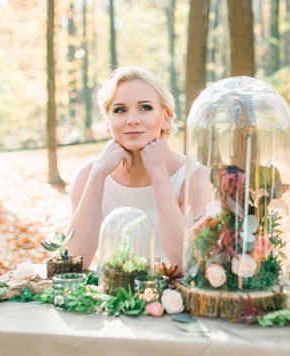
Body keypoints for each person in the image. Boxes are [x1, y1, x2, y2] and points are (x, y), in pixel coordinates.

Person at [67, 66, 210, 268]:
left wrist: (159, 174)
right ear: (108, 123)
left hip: (173, 298)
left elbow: (188, 265)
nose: (132, 120)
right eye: (120, 110)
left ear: (166, 118)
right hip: (109, 296)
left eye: (145, 108)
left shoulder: (194, 177)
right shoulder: (87, 176)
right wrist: (99, 174)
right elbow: (73, 265)